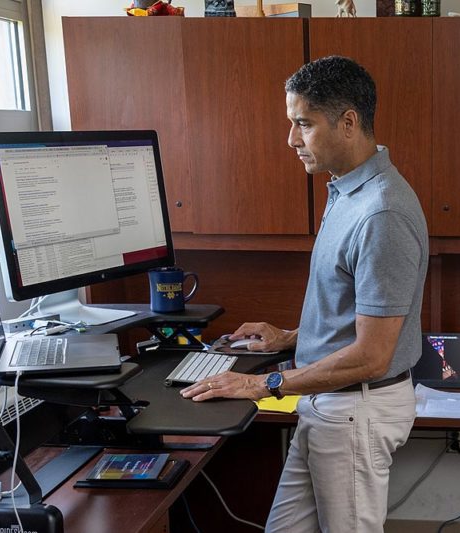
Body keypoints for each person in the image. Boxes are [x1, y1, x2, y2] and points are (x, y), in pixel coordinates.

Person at [181, 56, 428, 532]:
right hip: (328, 399)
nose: (292, 140)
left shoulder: (381, 214)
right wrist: (289, 338)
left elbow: (373, 356)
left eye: (304, 124)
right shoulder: (347, 193)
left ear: (349, 123)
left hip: (356, 407)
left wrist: (262, 384)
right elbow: (353, 316)